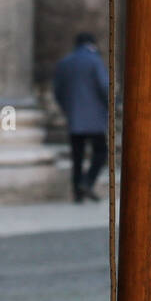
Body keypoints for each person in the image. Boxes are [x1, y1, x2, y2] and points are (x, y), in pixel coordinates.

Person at [53, 33, 109, 202]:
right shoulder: (94, 61)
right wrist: (109, 106)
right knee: (101, 152)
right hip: (95, 118)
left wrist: (67, 108)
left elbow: (57, 91)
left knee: (77, 157)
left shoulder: (65, 62)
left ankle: (78, 193)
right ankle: (88, 181)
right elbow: (105, 87)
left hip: (74, 117)